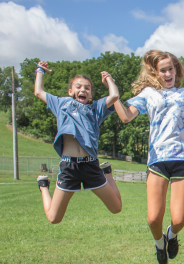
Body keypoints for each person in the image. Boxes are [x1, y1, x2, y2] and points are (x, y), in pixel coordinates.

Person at [113, 50, 184, 264]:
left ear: (176, 70)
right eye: (163, 70)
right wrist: (114, 96)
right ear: (155, 73)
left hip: (183, 160)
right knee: (152, 219)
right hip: (157, 160)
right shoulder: (149, 94)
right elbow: (125, 116)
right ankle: (159, 243)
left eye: (171, 69)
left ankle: (171, 234)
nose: (168, 73)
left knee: (179, 220)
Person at [34, 61, 122, 224]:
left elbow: (115, 96)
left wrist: (109, 80)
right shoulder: (61, 104)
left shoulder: (96, 109)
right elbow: (38, 91)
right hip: (69, 167)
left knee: (116, 208)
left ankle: (107, 172)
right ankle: (43, 186)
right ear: (70, 91)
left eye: (87, 88)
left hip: (91, 166)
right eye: (78, 87)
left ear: (91, 94)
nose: (82, 90)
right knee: (54, 218)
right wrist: (40, 71)